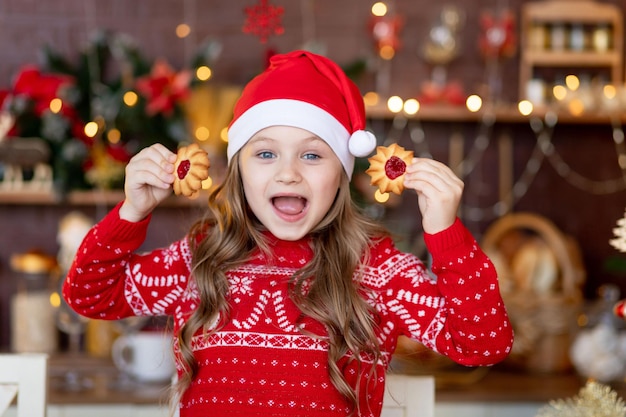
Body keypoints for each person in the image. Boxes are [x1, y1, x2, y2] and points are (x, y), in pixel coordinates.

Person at [63, 50, 513, 417]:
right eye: (265, 154)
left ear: (343, 172)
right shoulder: (201, 257)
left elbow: (484, 343)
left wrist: (445, 233)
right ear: (237, 169)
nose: (289, 173)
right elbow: (89, 295)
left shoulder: (375, 266)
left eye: (313, 156)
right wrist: (131, 212)